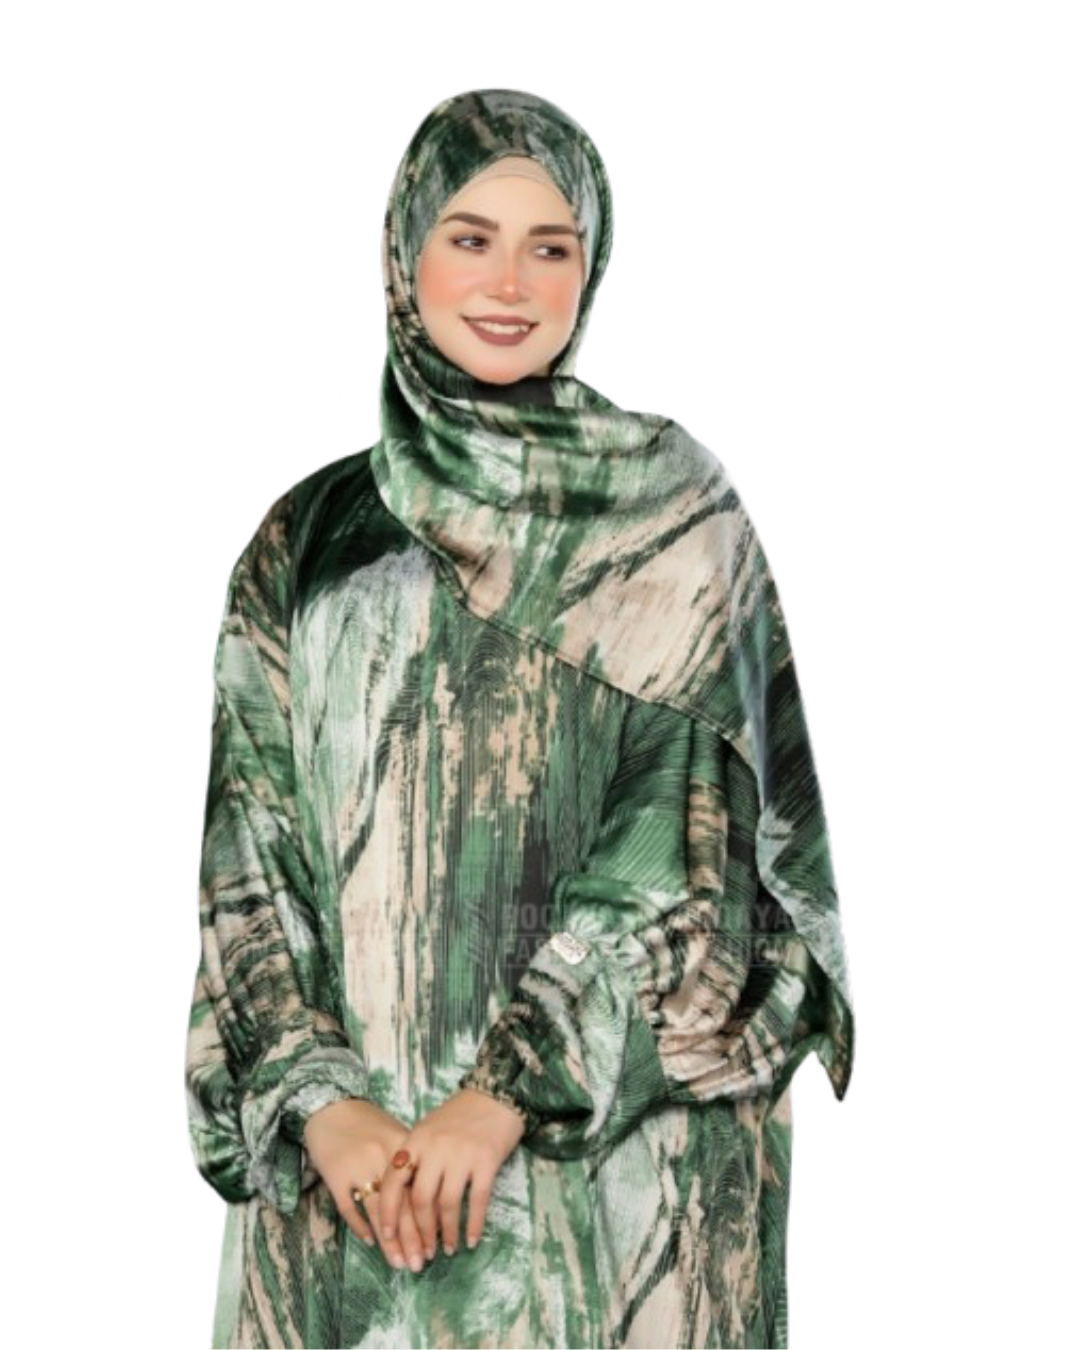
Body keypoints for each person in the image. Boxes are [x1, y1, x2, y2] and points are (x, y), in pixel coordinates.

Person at [184, 87, 856, 1350]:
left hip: (617, 1187)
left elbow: (692, 845)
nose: (509, 284)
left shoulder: (670, 516)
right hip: (364, 1191)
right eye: (470, 237)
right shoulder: (310, 541)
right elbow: (248, 859)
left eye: (550, 246)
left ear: (590, 267)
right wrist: (323, 1105)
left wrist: (504, 1093)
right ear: (406, 254)